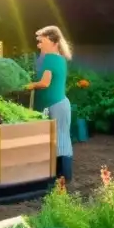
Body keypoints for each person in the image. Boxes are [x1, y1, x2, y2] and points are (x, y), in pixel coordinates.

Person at [26, 25, 73, 184]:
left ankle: (62, 177)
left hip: (55, 105)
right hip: (59, 104)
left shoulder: (51, 58)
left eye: (42, 41)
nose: (38, 44)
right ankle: (62, 177)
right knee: (61, 138)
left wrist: (29, 85)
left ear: (53, 41)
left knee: (59, 140)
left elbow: (45, 83)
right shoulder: (58, 58)